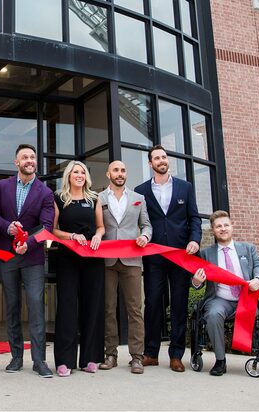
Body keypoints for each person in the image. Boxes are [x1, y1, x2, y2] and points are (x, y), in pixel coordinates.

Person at [0, 143, 55, 379]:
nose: (29, 160)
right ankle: (16, 357)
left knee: (36, 306)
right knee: (12, 306)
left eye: (32, 157)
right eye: (24, 157)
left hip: (33, 257)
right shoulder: (2, 186)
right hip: (7, 255)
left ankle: (39, 361)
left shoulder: (45, 193)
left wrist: (31, 243)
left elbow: (46, 227)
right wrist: (7, 227)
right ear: (16, 162)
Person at [135, 145, 201, 372]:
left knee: (179, 304)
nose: (161, 160)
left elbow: (194, 218)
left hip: (182, 254)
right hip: (154, 256)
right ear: (150, 163)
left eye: (164, 157)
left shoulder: (185, 187)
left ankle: (176, 355)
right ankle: (151, 353)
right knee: (152, 303)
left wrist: (195, 240)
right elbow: (140, 222)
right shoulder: (140, 190)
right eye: (157, 158)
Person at [191, 210, 259, 376]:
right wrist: (197, 281)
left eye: (225, 225)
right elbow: (196, 283)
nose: (222, 229)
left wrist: (258, 279)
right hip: (220, 298)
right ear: (213, 230)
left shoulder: (248, 249)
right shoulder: (206, 254)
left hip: (246, 297)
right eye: (218, 226)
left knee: (253, 312)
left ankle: (256, 355)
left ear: (232, 226)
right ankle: (220, 361)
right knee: (213, 315)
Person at [97, 160, 152, 375]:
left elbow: (146, 224)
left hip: (132, 261)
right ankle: (110, 354)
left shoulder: (139, 199)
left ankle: (137, 357)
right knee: (108, 308)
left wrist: (145, 236)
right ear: (108, 174)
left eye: (123, 170)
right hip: (107, 261)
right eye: (115, 170)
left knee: (135, 310)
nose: (120, 174)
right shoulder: (98, 198)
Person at [51, 160, 105, 377]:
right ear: (68, 176)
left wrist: (98, 237)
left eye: (82, 172)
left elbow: (101, 227)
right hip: (67, 258)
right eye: (75, 172)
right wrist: (71, 236)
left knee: (92, 305)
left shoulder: (94, 198)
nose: (79, 175)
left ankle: (90, 358)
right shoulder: (58, 198)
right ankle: (64, 361)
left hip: (92, 257)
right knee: (67, 307)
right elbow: (53, 230)